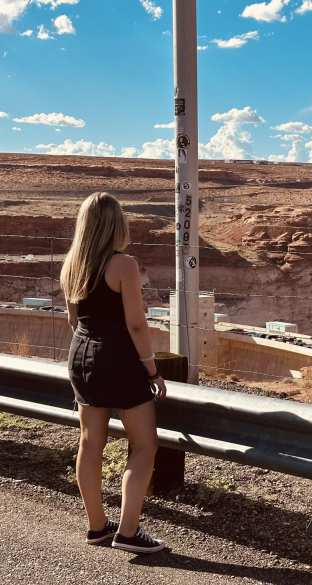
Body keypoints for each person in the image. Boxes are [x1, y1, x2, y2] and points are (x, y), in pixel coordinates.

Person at [60, 192, 168, 554]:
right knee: (145, 445)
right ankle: (128, 532)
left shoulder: (72, 264)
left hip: (81, 355)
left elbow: (73, 320)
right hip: (119, 359)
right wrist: (152, 371)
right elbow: (136, 325)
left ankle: (97, 527)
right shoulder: (123, 265)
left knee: (90, 444)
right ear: (116, 224)